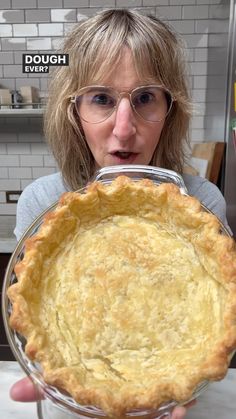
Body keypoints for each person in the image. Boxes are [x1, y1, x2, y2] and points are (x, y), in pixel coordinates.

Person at [10, 8, 231, 419]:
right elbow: (41, 334)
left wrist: (166, 378)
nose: (124, 128)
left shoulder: (203, 205)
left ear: (171, 108)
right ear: (73, 110)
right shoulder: (44, 204)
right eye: (101, 99)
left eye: (145, 97)